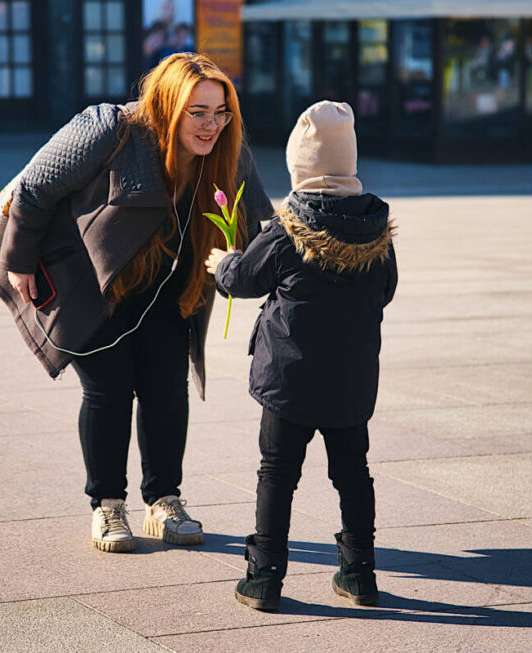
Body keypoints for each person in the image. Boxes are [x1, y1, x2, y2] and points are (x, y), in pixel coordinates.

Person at [0, 53, 272, 553]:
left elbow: (260, 225)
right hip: (95, 289)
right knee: (109, 391)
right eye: (199, 112)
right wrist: (19, 260)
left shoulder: (230, 152)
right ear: (168, 106)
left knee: (167, 390)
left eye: (221, 111)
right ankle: (107, 506)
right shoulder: (111, 128)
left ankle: (163, 501)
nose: (212, 125)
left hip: (171, 293)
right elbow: (35, 187)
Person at [205, 101, 397, 610]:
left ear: (300, 168)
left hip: (289, 382)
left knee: (277, 472)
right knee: (353, 473)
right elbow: (387, 290)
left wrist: (223, 262)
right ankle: (359, 574)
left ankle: (264, 577)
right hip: (352, 381)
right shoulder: (377, 229)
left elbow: (243, 279)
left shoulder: (288, 228)